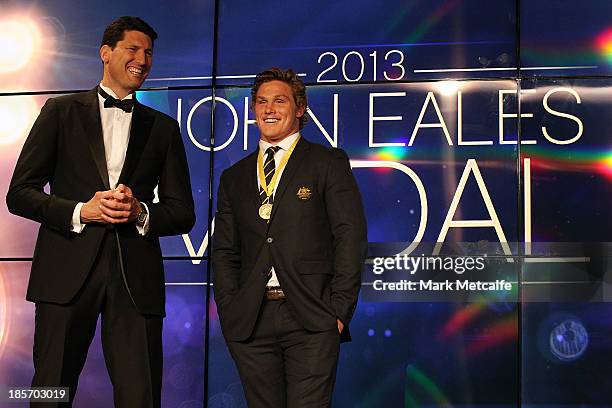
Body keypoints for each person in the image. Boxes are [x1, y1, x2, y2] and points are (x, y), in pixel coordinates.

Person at [6, 16, 195, 407]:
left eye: (149, 53)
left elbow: (182, 211)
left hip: (135, 279)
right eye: (133, 49)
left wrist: (140, 211)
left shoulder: (164, 128)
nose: (142, 60)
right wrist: (81, 211)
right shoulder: (60, 111)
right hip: (64, 272)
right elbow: (19, 194)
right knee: (49, 392)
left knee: (140, 396)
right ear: (105, 53)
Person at [212, 67, 367, 407]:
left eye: (279, 101)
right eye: (262, 102)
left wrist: (338, 312)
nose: (269, 109)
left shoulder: (327, 162)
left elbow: (349, 236)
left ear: (300, 108)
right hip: (251, 319)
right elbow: (224, 251)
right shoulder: (233, 176)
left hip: (311, 316)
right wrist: (229, 308)